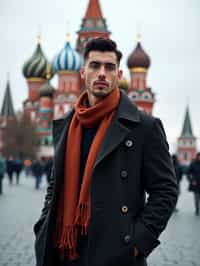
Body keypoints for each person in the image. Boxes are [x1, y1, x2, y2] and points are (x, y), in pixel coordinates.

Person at [34, 38, 178, 266]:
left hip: (115, 253)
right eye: (95, 66)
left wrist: (138, 241)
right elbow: (55, 184)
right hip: (64, 248)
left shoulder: (144, 127)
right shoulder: (66, 125)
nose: (102, 73)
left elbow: (166, 190)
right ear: (83, 72)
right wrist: (43, 225)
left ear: (119, 74)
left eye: (109, 67)